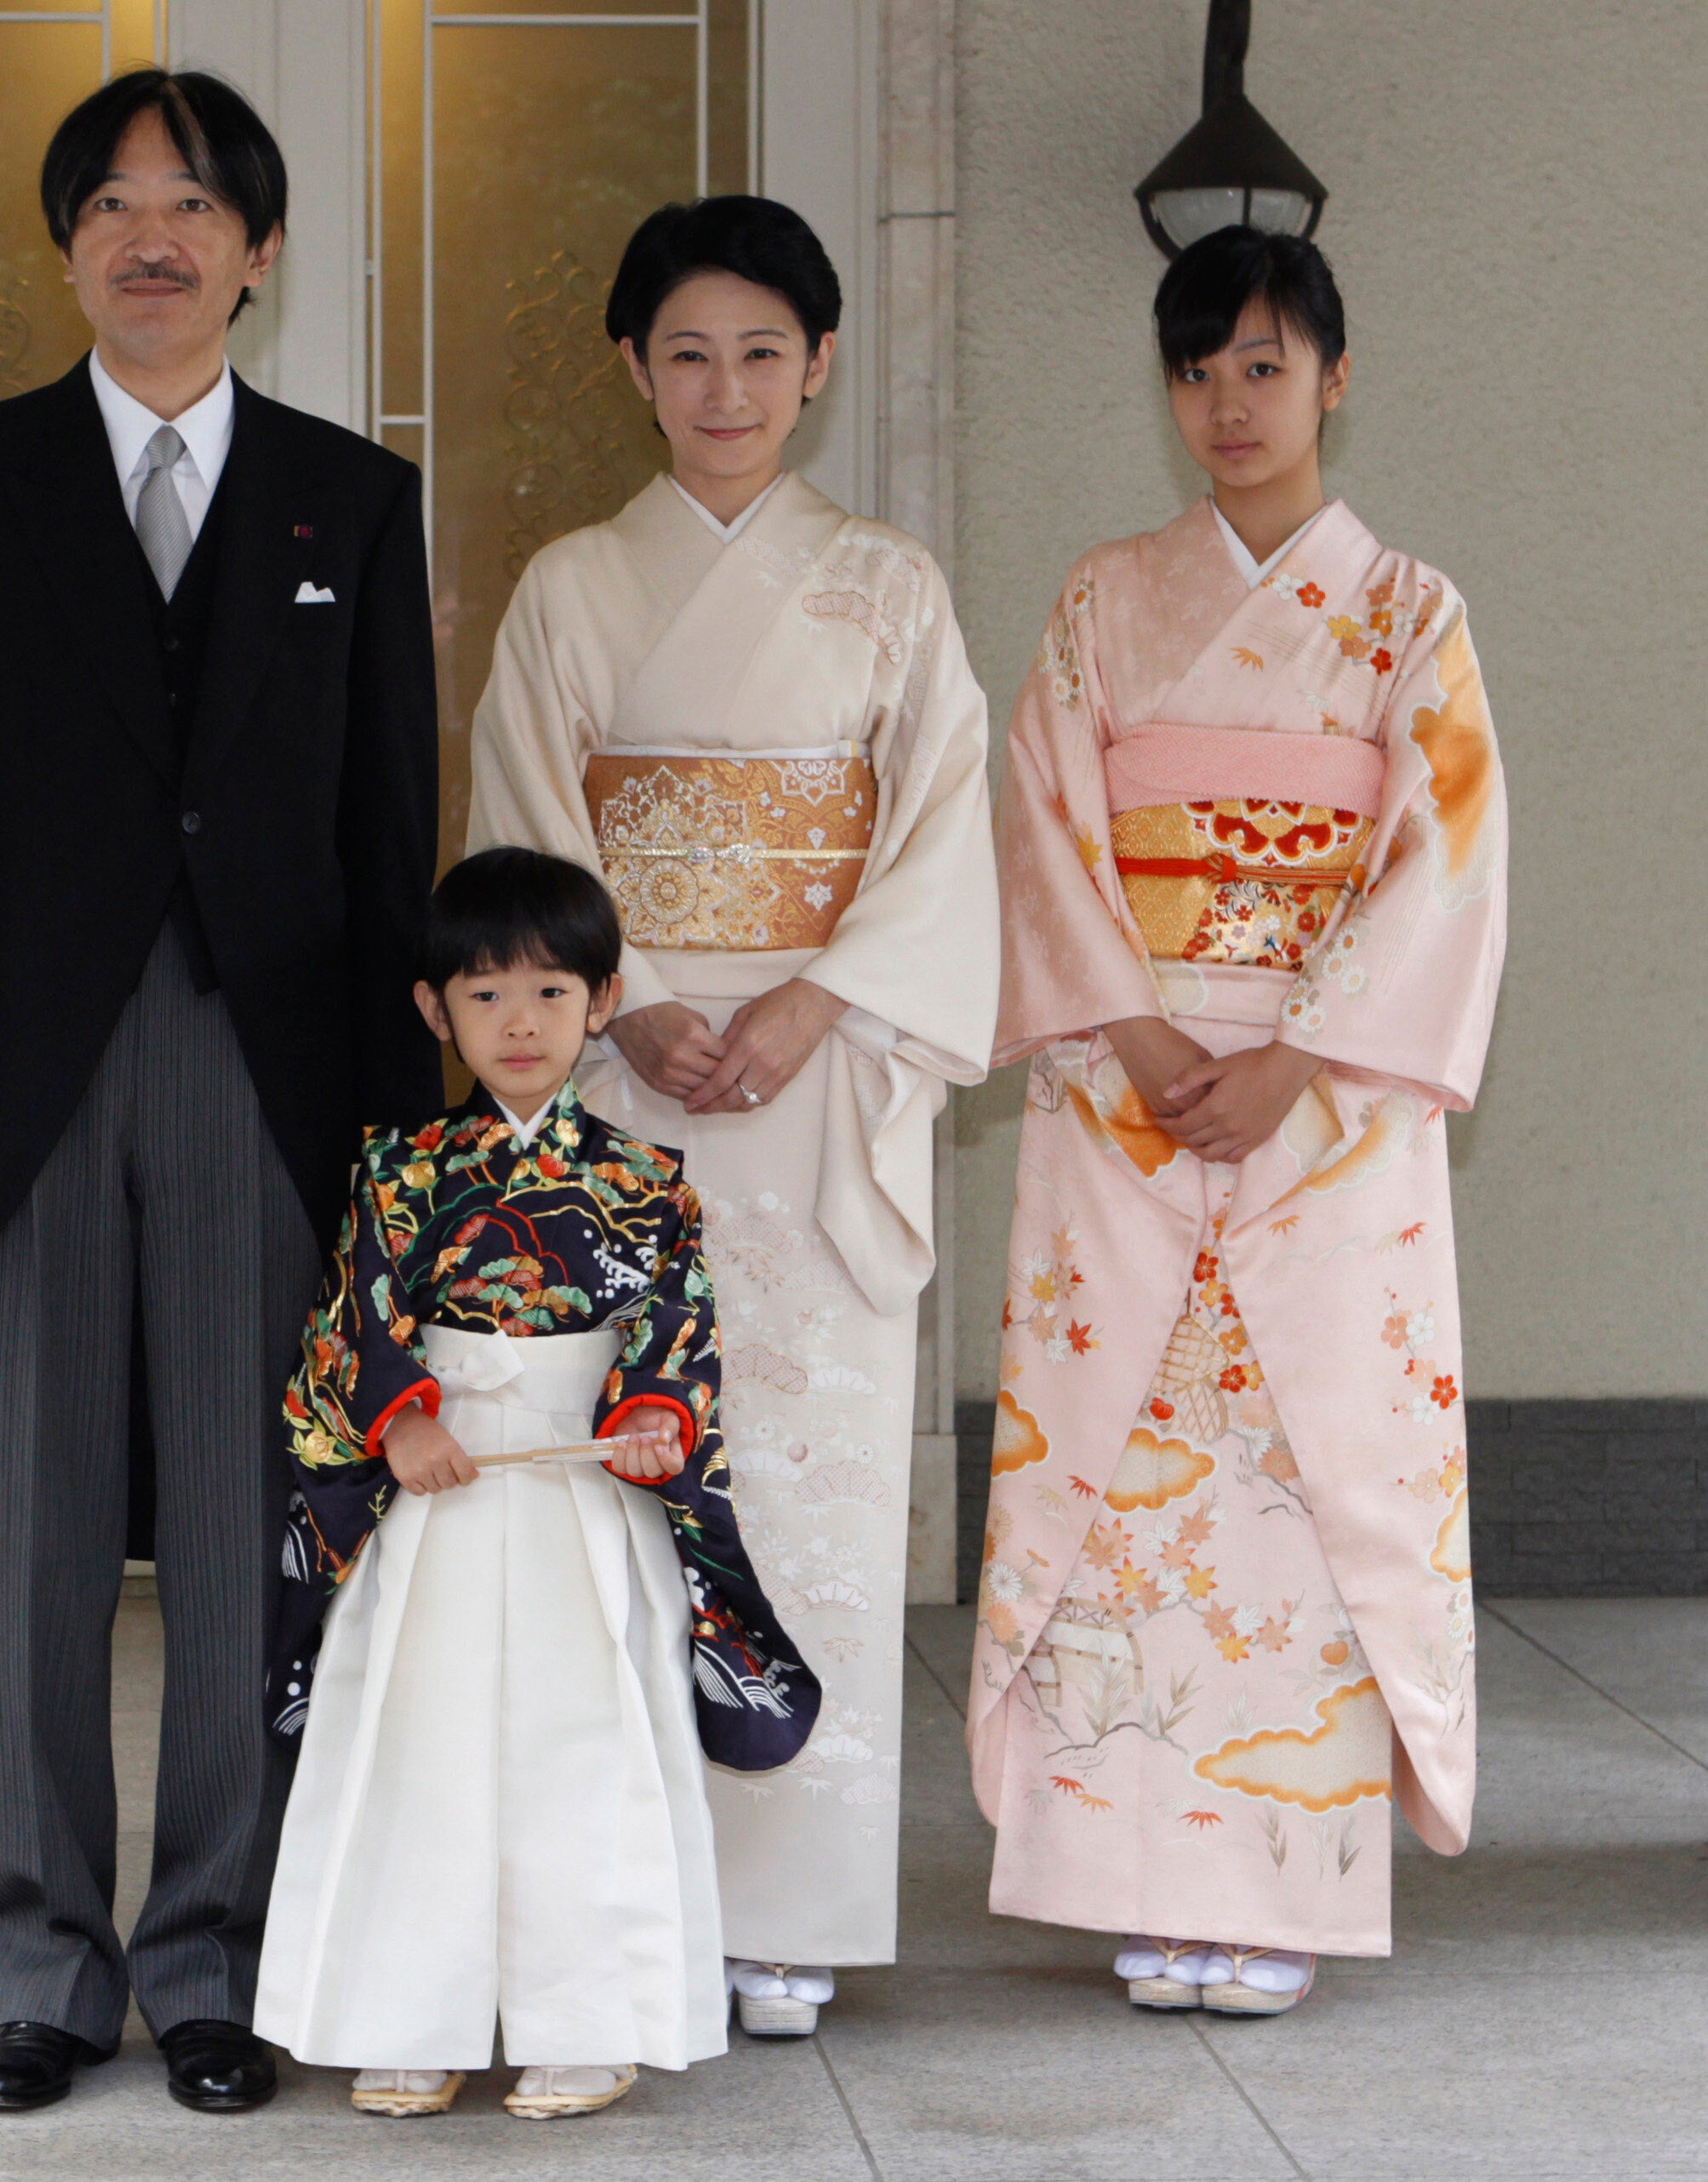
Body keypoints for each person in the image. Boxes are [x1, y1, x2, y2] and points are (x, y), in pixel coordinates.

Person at [0, 71, 439, 2114]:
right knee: (25, 1537)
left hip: (263, 1082)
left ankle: (214, 1958)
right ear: (66, 244)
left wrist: (386, 1148)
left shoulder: (349, 500)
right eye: (110, 203)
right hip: (17, 1087)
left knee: (258, 1526)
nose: (150, 236)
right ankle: (39, 1963)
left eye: (193, 206)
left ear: (260, 250)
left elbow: (387, 845)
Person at [466, 196, 998, 2036]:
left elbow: (941, 837)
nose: (724, 385)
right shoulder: (566, 586)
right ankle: (630, 1881)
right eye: (685, 349)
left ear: (820, 365)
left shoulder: (891, 590)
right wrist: (643, 1005)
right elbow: (526, 832)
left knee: (804, 1481)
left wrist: (804, 998)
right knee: (620, 1470)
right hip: (629, 1072)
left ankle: (793, 1902)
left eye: (763, 350)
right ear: (632, 365)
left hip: (820, 1069)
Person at [965, 226, 1507, 2015]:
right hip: (1124, 1089)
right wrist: (1130, 1027)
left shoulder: (1409, 613)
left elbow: (1442, 856)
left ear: (1334, 379)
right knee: (1128, 1480)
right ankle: (1125, 1864)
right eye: (1196, 369)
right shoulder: (1103, 598)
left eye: (1262, 366)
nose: (1226, 403)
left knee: (1302, 1473)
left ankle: (1285, 1886)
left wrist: (1296, 1049)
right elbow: (1041, 822)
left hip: (1324, 1103)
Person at [254, 848, 815, 2119]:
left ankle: (589, 2019)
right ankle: (406, 2011)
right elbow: (358, 1311)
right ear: (431, 1008)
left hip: (583, 1484)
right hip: (439, 1482)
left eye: (552, 993)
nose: (520, 1023)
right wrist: (398, 1418)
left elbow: (680, 1324)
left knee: (586, 1744)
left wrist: (658, 1415)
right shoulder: (397, 1167)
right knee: (421, 1739)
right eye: (486, 993)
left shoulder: (644, 1181)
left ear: (604, 1001)